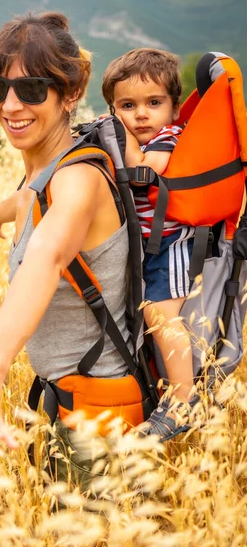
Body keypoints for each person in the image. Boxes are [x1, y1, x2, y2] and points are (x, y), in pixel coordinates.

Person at [0, 11, 133, 487]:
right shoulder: (39, 178)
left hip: (98, 420)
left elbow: (48, 256)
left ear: (71, 93)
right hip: (62, 407)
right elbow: (27, 198)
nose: (11, 105)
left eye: (33, 89)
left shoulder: (78, 180)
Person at [101, 48, 198, 439]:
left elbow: (145, 172)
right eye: (128, 105)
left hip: (171, 245)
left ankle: (182, 401)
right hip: (143, 250)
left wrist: (117, 132)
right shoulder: (128, 133)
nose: (141, 114)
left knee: (161, 314)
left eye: (153, 103)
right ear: (113, 107)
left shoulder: (168, 135)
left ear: (173, 108)